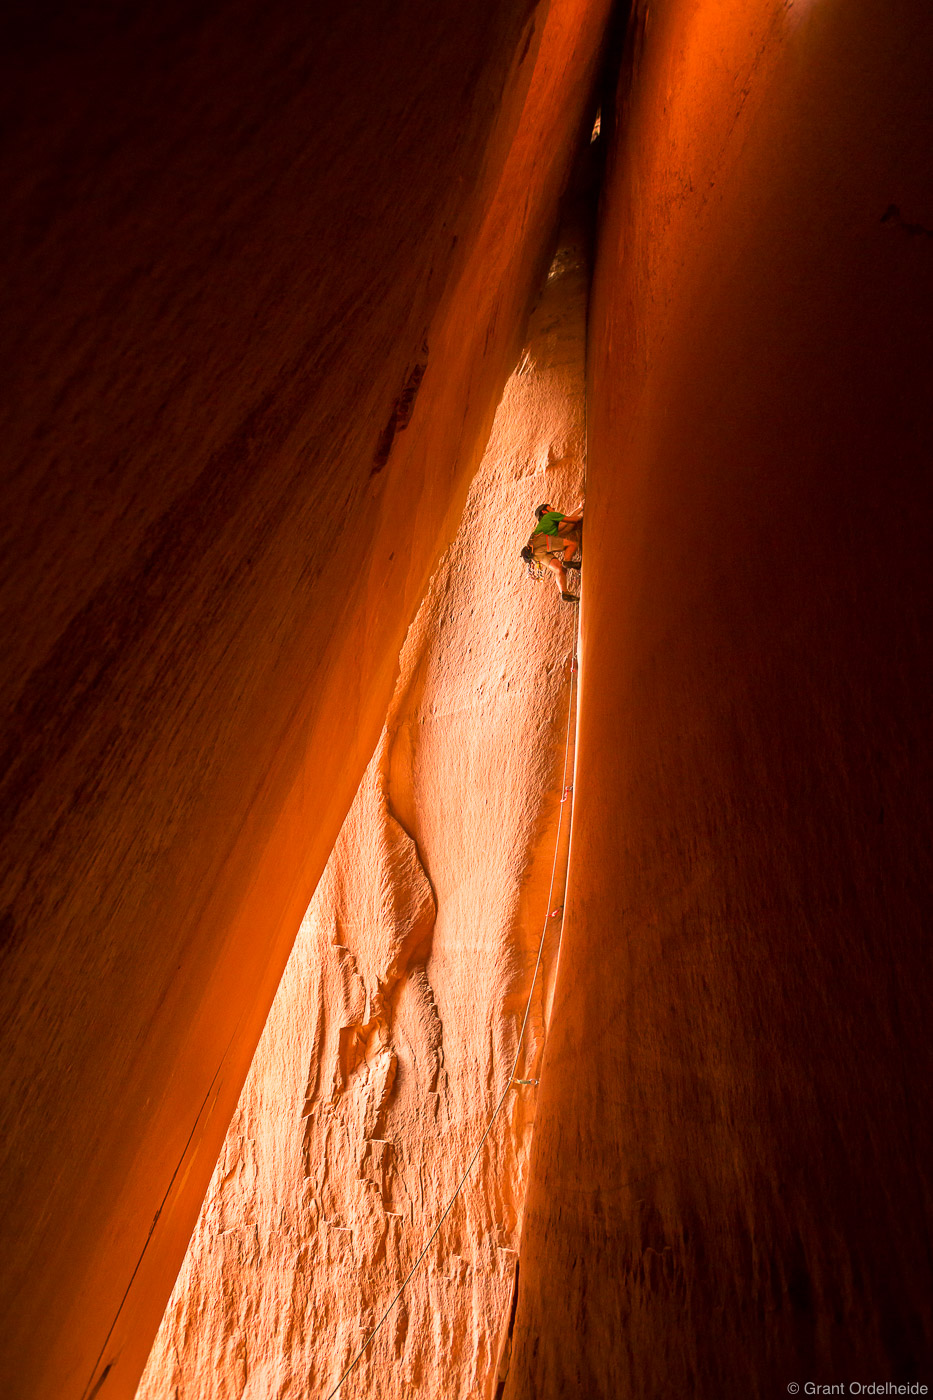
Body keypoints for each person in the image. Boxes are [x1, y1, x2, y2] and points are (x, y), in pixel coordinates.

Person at [520, 501, 584, 602]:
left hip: (534, 552)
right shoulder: (550, 516)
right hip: (540, 541)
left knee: (559, 569)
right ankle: (567, 561)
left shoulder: (547, 524)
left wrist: (579, 508)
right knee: (572, 544)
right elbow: (572, 519)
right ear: (545, 511)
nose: (553, 508)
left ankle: (565, 593)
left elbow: (565, 523)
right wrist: (583, 513)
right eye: (550, 507)